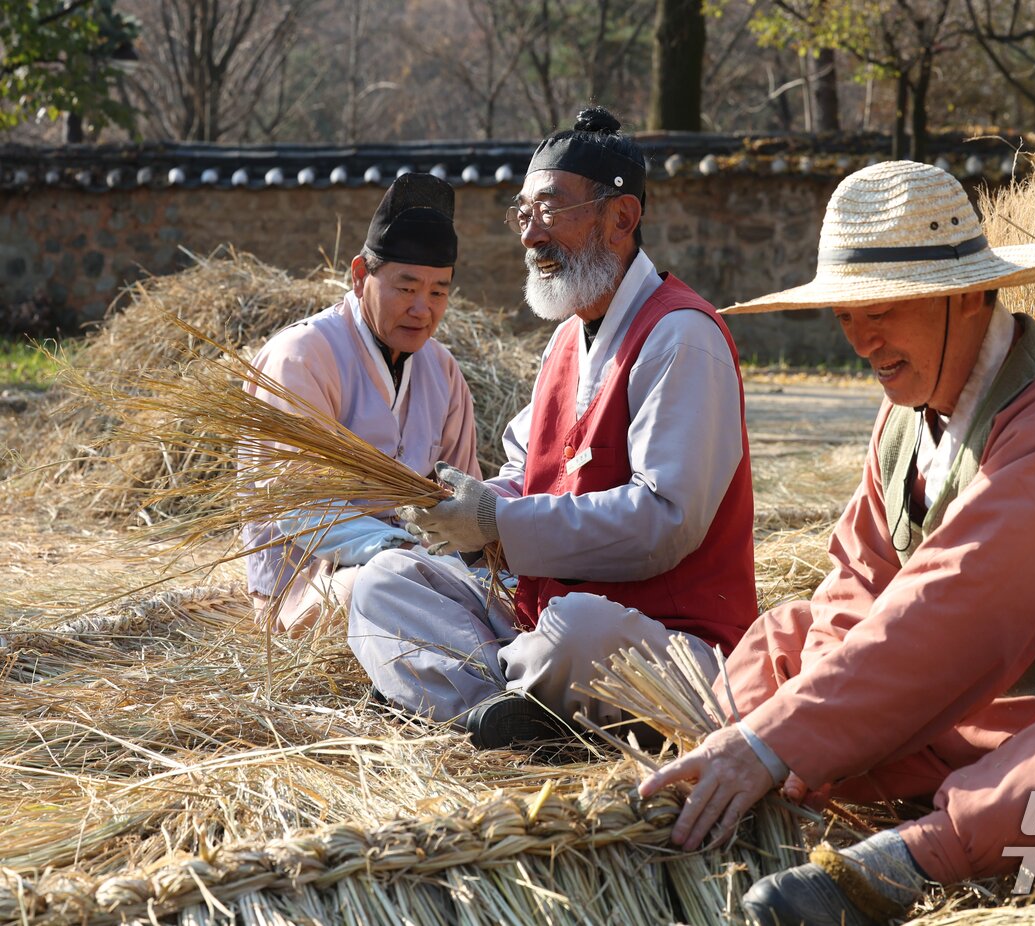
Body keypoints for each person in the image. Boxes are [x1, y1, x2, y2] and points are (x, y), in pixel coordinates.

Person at [640, 161, 1035, 926]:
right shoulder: (906, 418)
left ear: (966, 295)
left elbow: (962, 603)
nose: (861, 338)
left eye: (882, 308)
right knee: (789, 637)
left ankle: (909, 862)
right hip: (960, 732)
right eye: (844, 315)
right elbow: (855, 592)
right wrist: (767, 732)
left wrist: (777, 740)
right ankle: (690, 784)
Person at [349, 107, 758, 747]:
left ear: (620, 219)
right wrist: (473, 507)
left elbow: (665, 521)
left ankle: (451, 689)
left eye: (550, 211)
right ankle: (502, 710)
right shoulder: (566, 340)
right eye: (524, 214)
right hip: (539, 618)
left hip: (666, 641)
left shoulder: (682, 336)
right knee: (385, 581)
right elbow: (529, 476)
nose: (530, 236)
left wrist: (499, 523)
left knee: (574, 631)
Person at [241, 172, 480, 634]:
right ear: (358, 276)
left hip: (425, 570)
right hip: (311, 582)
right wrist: (397, 549)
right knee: (384, 588)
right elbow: (296, 508)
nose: (422, 309)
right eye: (406, 288)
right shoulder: (304, 357)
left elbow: (462, 496)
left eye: (438, 292)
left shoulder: (443, 370)